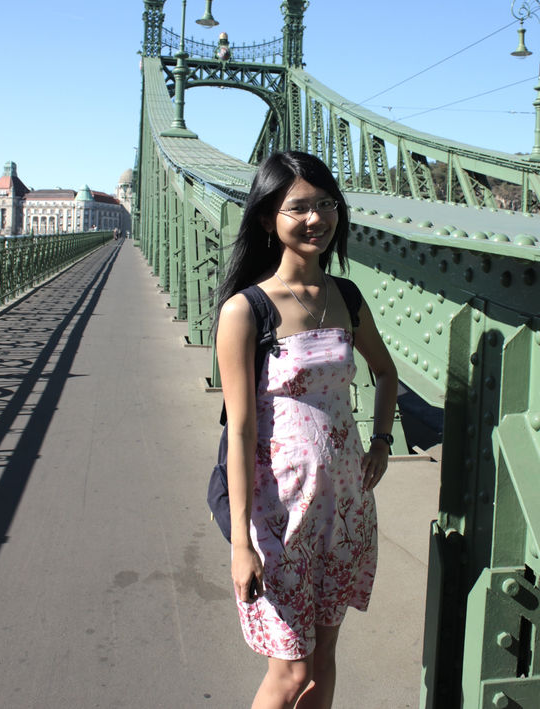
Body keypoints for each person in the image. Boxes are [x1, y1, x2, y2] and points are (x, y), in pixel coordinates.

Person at [215, 151, 398, 709]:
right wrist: (241, 542)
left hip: (344, 507)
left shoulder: (346, 297)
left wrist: (383, 442)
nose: (316, 218)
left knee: (322, 663)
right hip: (280, 513)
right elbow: (241, 432)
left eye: (326, 205)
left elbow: (386, 374)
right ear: (269, 216)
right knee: (290, 673)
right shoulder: (246, 311)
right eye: (300, 208)